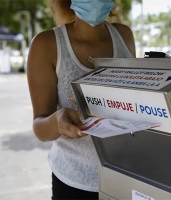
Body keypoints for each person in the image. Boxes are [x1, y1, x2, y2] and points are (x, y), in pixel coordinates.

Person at [26, 0, 136, 199]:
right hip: (73, 183)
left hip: (125, 177)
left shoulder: (124, 35)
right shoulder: (46, 44)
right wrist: (57, 121)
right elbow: (40, 127)